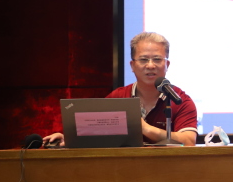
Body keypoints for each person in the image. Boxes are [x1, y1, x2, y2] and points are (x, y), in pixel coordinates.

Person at [43, 32, 198, 147]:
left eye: (157, 59)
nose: (150, 65)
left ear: (167, 65)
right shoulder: (118, 97)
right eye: (143, 59)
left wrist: (145, 129)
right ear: (132, 66)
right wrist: (68, 139)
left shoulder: (181, 100)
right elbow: (94, 132)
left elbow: (189, 141)